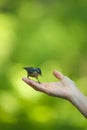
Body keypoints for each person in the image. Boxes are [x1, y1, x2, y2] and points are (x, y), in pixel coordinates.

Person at [22, 70, 87, 119]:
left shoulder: (36, 73)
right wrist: (73, 93)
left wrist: (72, 92)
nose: (38, 74)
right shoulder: (32, 71)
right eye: (37, 73)